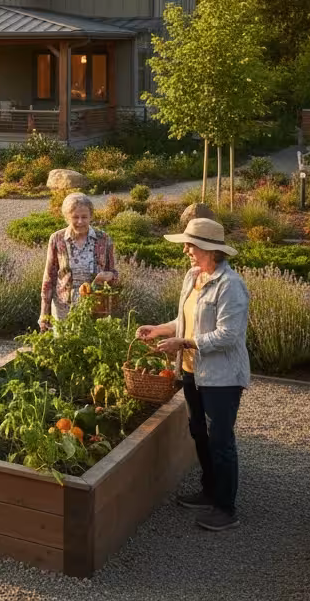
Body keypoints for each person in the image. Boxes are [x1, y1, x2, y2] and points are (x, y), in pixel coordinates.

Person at [136, 218, 250, 532]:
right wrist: (161, 329)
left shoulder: (230, 286)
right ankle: (209, 490)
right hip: (192, 372)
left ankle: (226, 509)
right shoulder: (193, 276)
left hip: (221, 377)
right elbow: (185, 319)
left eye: (191, 245)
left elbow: (229, 335)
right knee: (199, 432)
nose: (186, 249)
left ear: (211, 250)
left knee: (221, 440)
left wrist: (185, 342)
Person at [40, 192, 118, 329]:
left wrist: (110, 276)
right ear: (67, 217)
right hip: (63, 306)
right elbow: (49, 277)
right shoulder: (57, 239)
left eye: (84, 217)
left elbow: (114, 273)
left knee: (90, 345)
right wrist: (44, 313)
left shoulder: (103, 239)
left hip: (94, 305)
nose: (80, 221)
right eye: (75, 217)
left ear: (91, 216)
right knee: (64, 345)